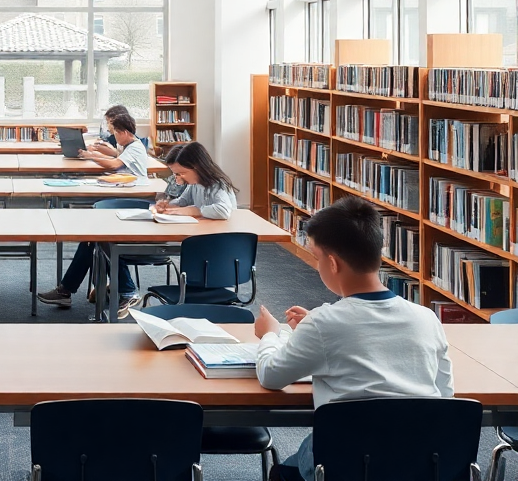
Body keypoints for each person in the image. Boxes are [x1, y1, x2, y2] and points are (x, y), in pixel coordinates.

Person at [255, 196, 454, 481]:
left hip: (348, 463)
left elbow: (271, 376)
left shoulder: (324, 323)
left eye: (316, 256)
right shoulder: (426, 318)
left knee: (287, 469)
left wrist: (270, 335)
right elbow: (445, 396)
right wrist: (316, 327)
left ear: (333, 263)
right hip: (419, 462)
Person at [37, 112, 148, 317]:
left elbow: (115, 165)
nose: (113, 135)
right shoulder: (127, 146)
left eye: (115, 132)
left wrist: (91, 156)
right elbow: (116, 159)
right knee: (92, 238)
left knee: (99, 237)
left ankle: (125, 290)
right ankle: (68, 290)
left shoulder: (135, 147)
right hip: (123, 198)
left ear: (124, 132)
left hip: (133, 205)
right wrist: (99, 153)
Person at [153, 141, 236, 219]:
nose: (177, 178)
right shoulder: (194, 184)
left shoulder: (217, 184)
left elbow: (224, 210)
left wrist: (197, 211)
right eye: (175, 174)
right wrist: (168, 205)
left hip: (224, 231)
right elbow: (183, 200)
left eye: (181, 173)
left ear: (197, 168)